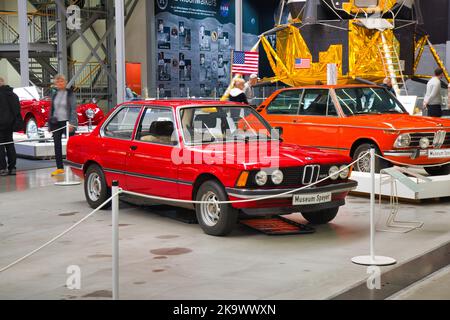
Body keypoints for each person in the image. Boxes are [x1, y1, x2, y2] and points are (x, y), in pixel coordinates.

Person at [49, 74, 78, 176]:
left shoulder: (70, 94)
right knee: (57, 145)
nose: (60, 83)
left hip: (67, 123)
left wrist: (72, 123)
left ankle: (74, 167)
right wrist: (50, 125)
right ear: (55, 84)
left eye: (62, 81)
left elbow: (73, 109)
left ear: (65, 83)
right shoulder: (54, 94)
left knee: (71, 146)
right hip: (56, 123)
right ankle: (59, 168)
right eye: (58, 82)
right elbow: (52, 110)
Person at [0, 77, 21, 176]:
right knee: (10, 145)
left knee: (0, 147)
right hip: (10, 125)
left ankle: (2, 168)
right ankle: (12, 168)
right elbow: (17, 111)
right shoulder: (13, 95)